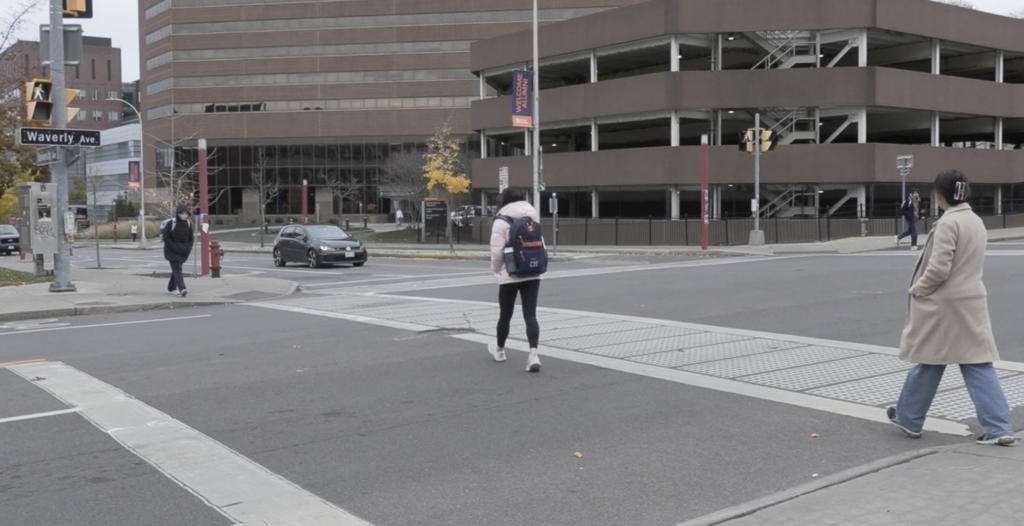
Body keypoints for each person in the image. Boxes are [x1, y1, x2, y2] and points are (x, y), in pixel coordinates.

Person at [888, 170, 1017, 446]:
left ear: (939, 195)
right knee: (977, 363)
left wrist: (918, 289)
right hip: (971, 300)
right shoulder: (975, 221)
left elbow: (938, 269)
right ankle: (999, 426)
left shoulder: (949, 223)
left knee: (930, 360)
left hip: (944, 305)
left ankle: (909, 418)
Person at [489, 187, 543, 372]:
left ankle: (500, 350)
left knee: (506, 314)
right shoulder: (532, 217)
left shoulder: (501, 221)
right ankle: (533, 355)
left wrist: (496, 270)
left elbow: (496, 252)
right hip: (532, 271)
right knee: (530, 315)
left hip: (509, 274)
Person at [162, 205, 194, 297]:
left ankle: (171, 287)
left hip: (183, 251)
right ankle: (182, 288)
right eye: (182, 214)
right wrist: (174, 247)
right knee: (177, 269)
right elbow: (166, 237)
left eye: (186, 214)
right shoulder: (171, 223)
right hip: (172, 251)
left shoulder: (188, 224)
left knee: (176, 270)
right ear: (178, 214)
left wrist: (187, 249)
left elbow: (190, 239)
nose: (184, 216)